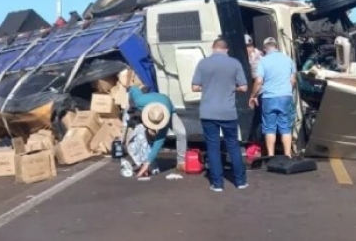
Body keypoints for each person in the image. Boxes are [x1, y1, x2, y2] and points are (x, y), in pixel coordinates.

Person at [191, 38, 249, 192]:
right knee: (233, 146)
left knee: (213, 147)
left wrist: (208, 87)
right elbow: (243, 88)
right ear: (226, 49)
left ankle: (217, 184)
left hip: (208, 111)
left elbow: (195, 87)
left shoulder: (203, 63)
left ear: (213, 48)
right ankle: (240, 181)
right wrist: (231, 88)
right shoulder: (235, 63)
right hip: (228, 112)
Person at [248, 37, 297, 158]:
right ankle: (287, 154)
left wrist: (252, 96)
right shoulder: (288, 60)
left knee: (269, 127)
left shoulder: (263, 61)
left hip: (269, 97)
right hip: (286, 96)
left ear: (265, 49)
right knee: (285, 126)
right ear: (277, 47)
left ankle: (270, 155)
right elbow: (293, 80)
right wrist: (287, 90)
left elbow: (259, 81)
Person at [127, 85, 187, 177]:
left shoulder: (165, 114)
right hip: (147, 108)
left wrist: (148, 162)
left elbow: (160, 139)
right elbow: (134, 89)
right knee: (141, 135)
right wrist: (129, 88)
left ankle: (181, 162)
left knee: (181, 132)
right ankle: (141, 159)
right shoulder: (139, 100)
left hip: (167, 108)